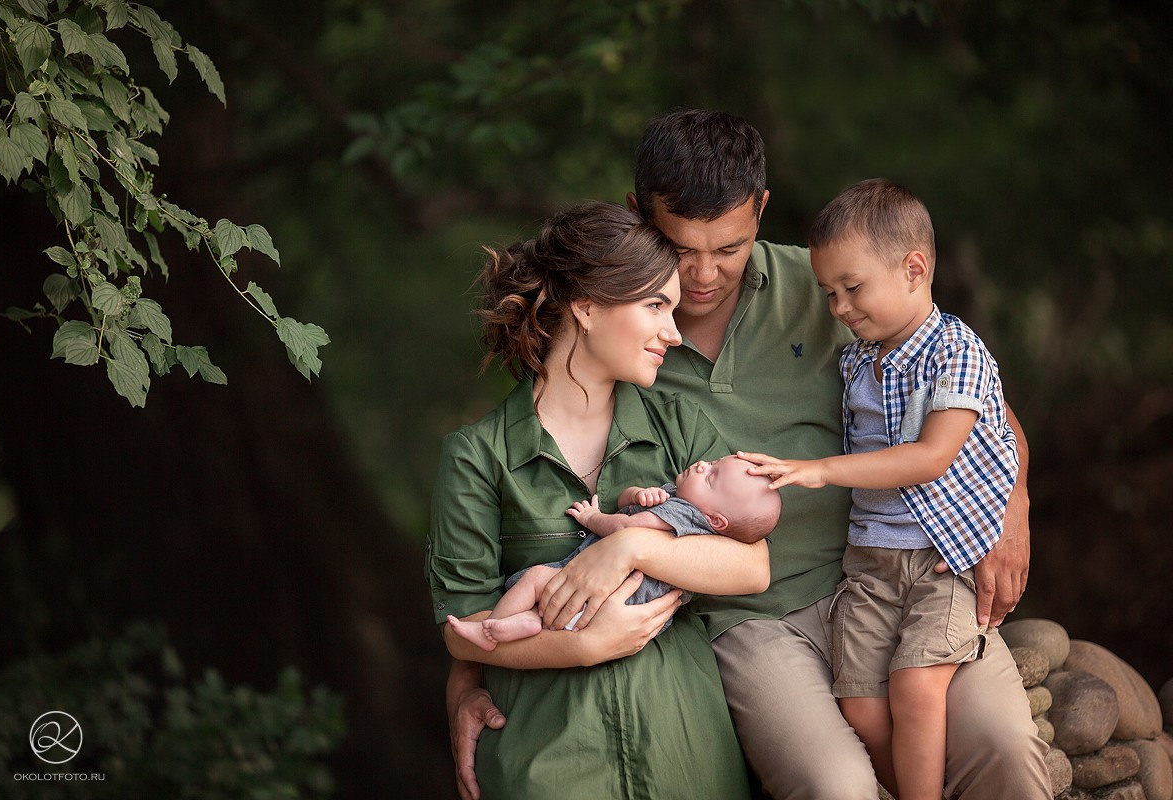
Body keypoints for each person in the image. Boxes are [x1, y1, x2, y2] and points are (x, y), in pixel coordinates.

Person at [449, 110, 1050, 800]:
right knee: (837, 787)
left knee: (1004, 749)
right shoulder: (615, 339)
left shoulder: (831, 286)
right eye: (681, 248)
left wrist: (1012, 503)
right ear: (637, 213)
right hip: (745, 622)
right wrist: (467, 681)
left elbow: (971, 393)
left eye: (729, 248)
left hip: (885, 577)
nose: (704, 275)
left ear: (761, 210)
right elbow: (517, 514)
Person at [428, 200, 769, 799]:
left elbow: (752, 564)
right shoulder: (477, 457)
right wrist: (582, 645)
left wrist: (632, 546)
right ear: (586, 308)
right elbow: (463, 630)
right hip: (549, 764)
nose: (674, 329)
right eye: (655, 306)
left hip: (686, 754)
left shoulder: (680, 427)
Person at [740, 178, 1019, 800]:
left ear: (915, 269)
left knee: (917, 688)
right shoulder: (858, 360)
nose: (837, 308)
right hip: (869, 565)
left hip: (942, 563)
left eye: (852, 289)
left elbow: (931, 457)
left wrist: (819, 469)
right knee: (860, 705)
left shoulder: (958, 352)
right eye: (828, 293)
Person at [447, 454, 782, 651]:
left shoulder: (686, 515)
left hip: (617, 598)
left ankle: (491, 628)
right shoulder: (682, 500)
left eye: (711, 477)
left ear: (715, 520)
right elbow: (628, 506)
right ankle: (523, 624)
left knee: (537, 580)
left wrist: (593, 518)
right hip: (618, 604)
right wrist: (637, 493)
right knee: (551, 606)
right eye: (711, 463)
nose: (700, 466)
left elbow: (625, 529)